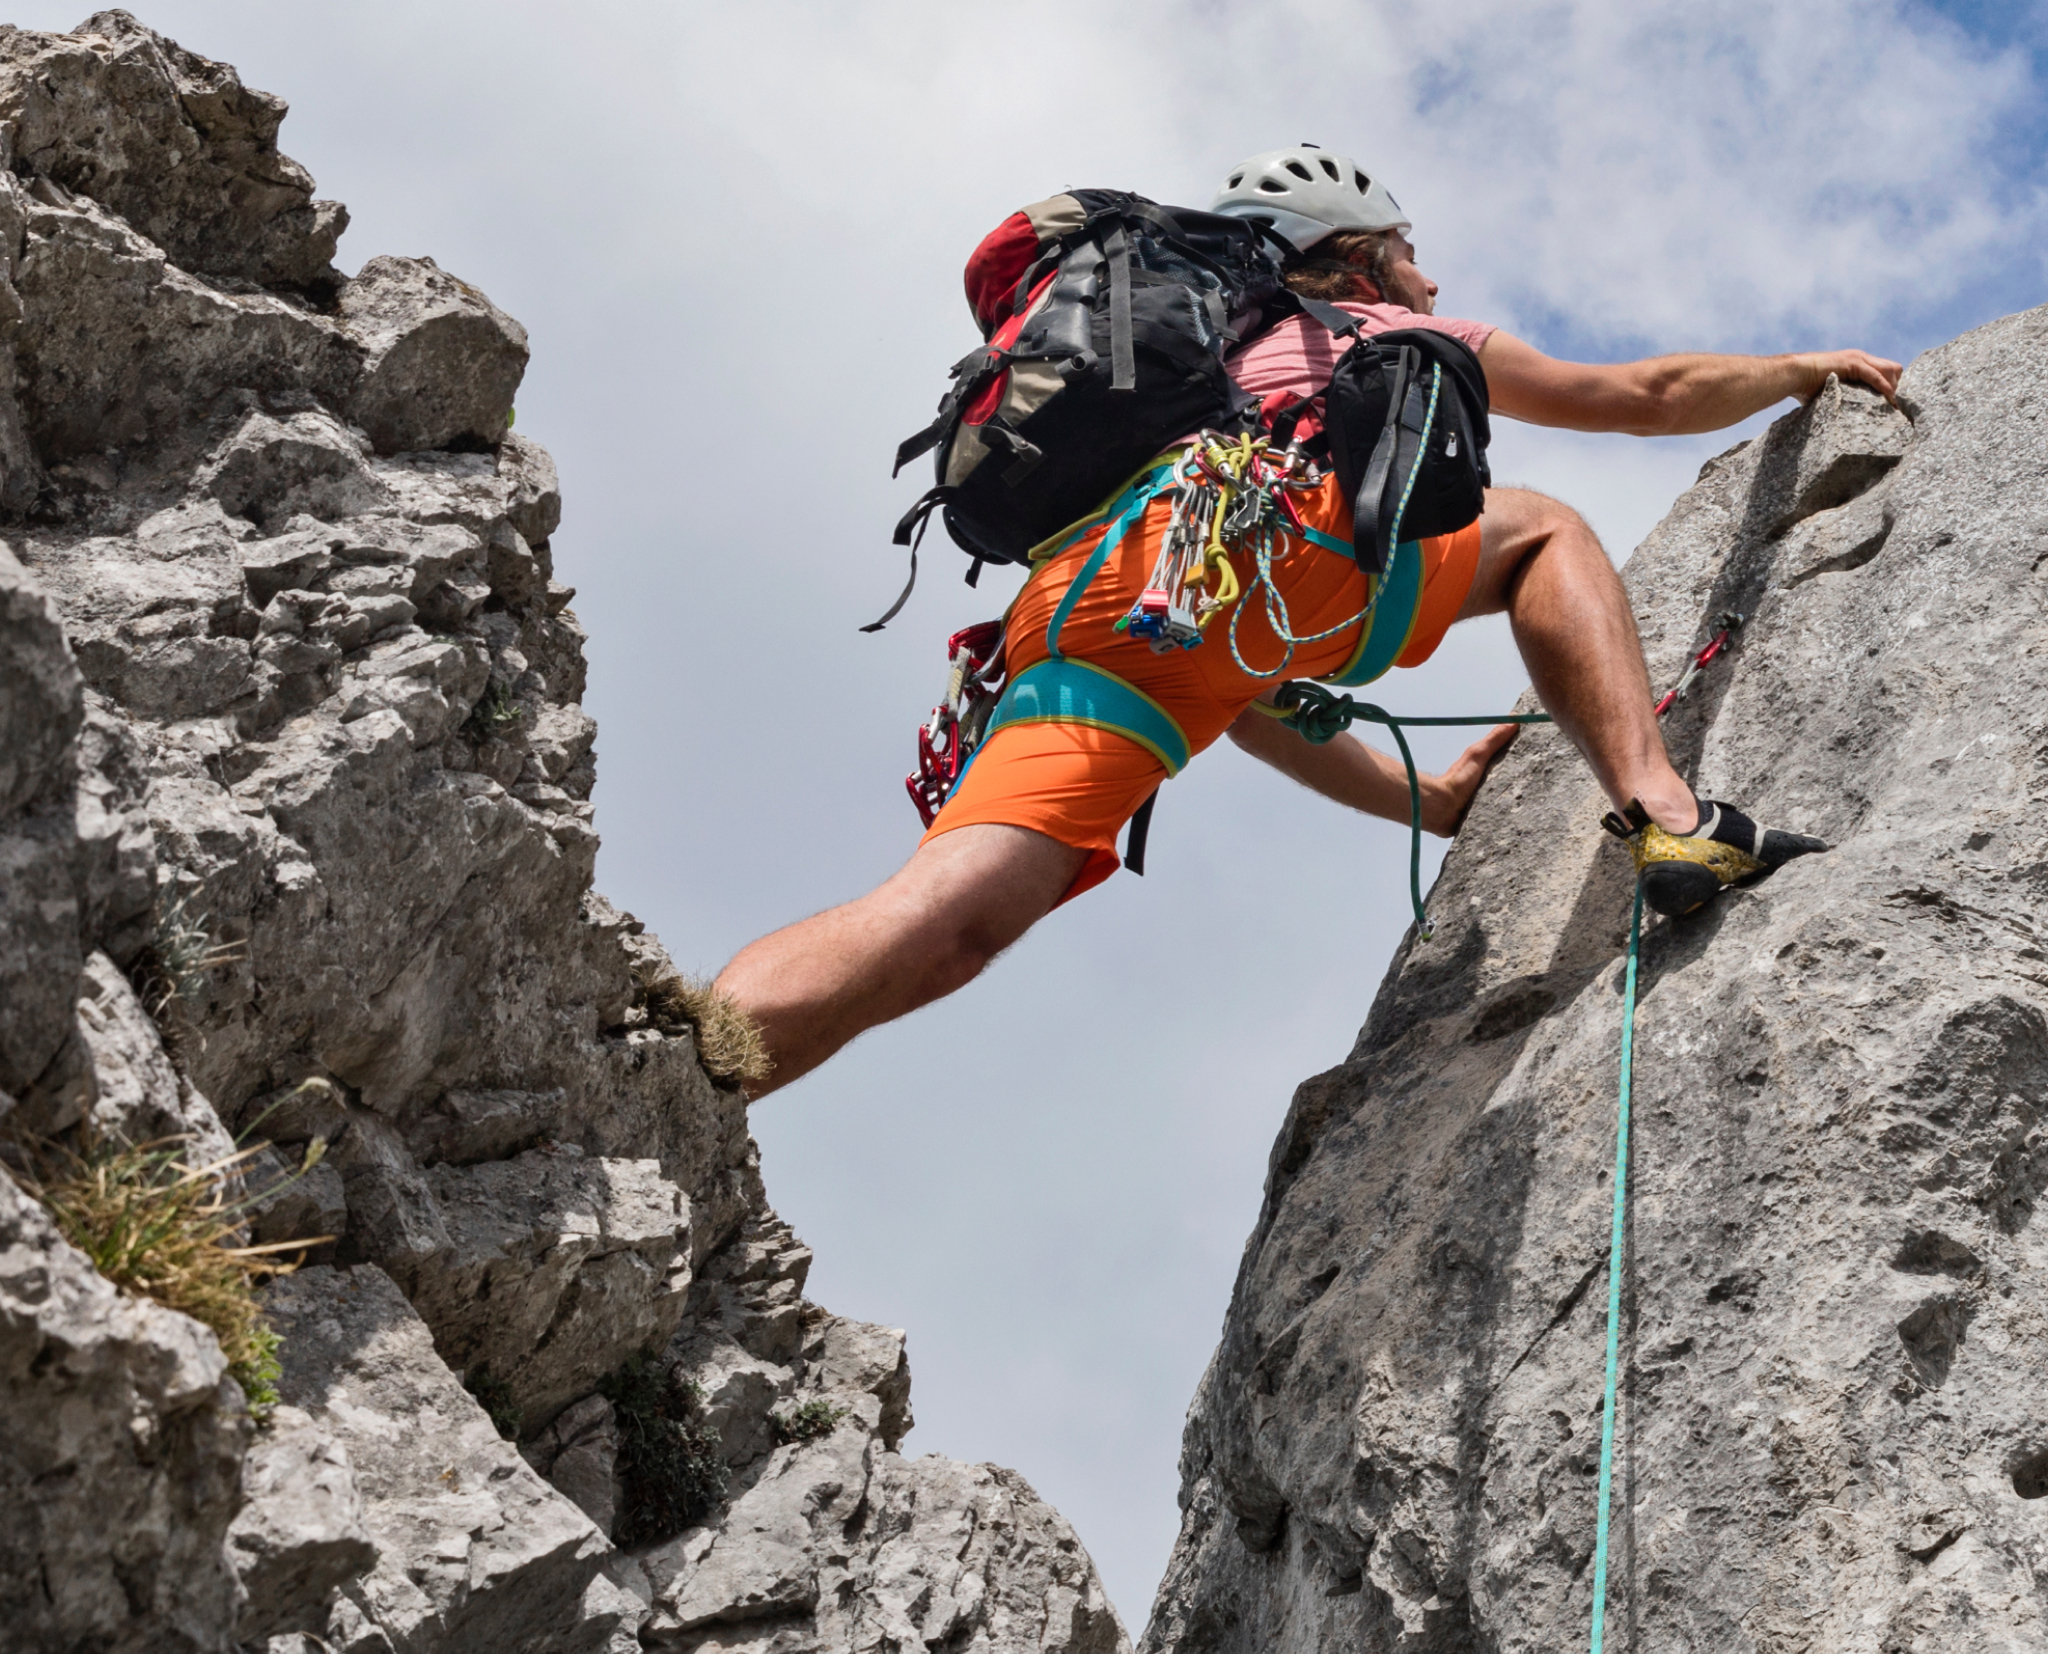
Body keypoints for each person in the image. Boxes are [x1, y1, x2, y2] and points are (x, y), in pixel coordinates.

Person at [717, 147, 1902, 1097]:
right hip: (1264, 540)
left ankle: (688, 1051)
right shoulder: (1368, 329)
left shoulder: (1197, 372)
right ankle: (1669, 816)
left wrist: (1423, 800)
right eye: (1407, 251)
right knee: (1542, 529)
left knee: (944, 914)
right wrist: (1796, 370)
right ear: (1356, 258)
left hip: (1099, 600)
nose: (1427, 279)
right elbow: (1642, 397)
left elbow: (1235, 688)